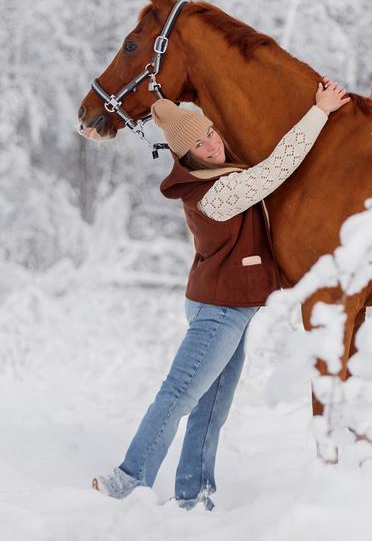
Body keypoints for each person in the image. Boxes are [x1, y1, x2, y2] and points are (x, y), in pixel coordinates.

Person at [91, 77, 350, 511]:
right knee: (180, 394)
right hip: (219, 310)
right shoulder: (215, 192)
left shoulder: (221, 171)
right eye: (199, 143)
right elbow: (275, 169)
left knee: (212, 405)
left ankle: (195, 494)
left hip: (233, 306)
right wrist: (319, 111)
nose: (211, 144)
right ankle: (128, 478)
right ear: (184, 156)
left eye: (210, 132)